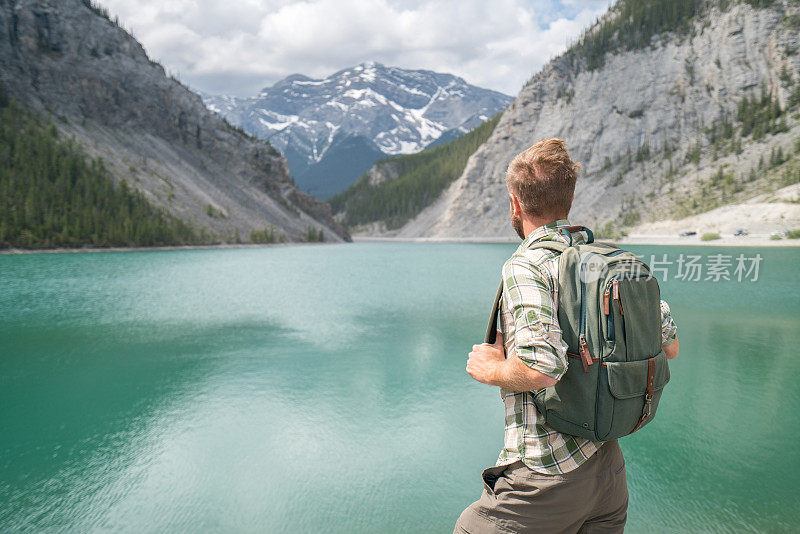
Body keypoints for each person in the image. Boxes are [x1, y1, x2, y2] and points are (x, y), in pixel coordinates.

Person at [454, 139, 679, 534]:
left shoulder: (526, 265)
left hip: (546, 475)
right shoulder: (606, 259)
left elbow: (542, 369)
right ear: (570, 198)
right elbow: (670, 346)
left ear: (514, 204)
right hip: (608, 470)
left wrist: (492, 369)